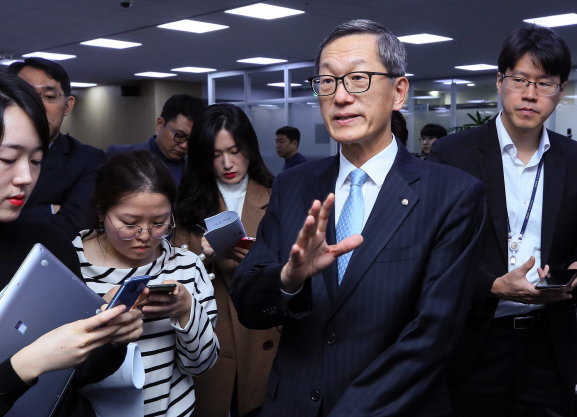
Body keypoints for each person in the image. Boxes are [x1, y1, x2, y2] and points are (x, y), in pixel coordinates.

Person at [230, 19, 487, 417]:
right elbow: (247, 303)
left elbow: (431, 335)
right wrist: (289, 279)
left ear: (398, 91)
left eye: (359, 79)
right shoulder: (293, 186)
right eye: (328, 82)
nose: (340, 97)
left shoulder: (453, 195)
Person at [0, 68, 143, 417]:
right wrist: (25, 366)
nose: (26, 177)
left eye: (35, 160)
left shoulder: (47, 244)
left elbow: (82, 373)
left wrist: (109, 336)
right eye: (7, 159)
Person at [429, 25, 577, 417]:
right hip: (475, 342)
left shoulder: (574, 158)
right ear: (499, 81)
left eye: (545, 84)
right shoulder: (453, 154)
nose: (530, 94)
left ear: (560, 91)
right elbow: (430, 250)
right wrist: (491, 286)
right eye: (520, 80)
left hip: (550, 344)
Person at [73, 150, 219, 417]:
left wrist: (186, 309)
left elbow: (201, 365)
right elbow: (53, 369)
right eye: (129, 223)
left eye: (159, 223)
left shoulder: (185, 265)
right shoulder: (68, 265)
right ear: (101, 211)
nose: (145, 236)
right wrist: (100, 320)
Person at [173, 103, 279, 417]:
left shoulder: (278, 195)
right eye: (216, 155)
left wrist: (261, 259)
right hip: (213, 336)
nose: (228, 163)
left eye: (234, 151)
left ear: (250, 147)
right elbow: (174, 273)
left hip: (264, 333)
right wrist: (203, 258)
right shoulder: (188, 204)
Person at [7, 58, 107, 239]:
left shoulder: (88, 160)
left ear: (68, 106)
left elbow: (73, 226)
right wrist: (49, 210)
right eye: (26, 95)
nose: (37, 106)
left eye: (50, 97)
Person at [106, 94, 205, 185]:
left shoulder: (196, 170)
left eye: (192, 140)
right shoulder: (120, 156)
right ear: (160, 124)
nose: (184, 146)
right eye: (179, 135)